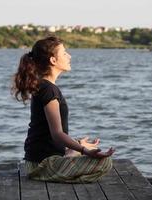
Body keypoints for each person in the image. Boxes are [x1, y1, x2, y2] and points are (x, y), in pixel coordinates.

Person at [11, 36, 115, 183]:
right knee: (105, 163)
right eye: (64, 53)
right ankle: (61, 168)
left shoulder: (45, 86)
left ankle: (69, 155)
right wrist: (84, 150)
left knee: (81, 153)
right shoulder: (49, 90)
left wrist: (78, 143)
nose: (69, 56)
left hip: (40, 161)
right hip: (41, 165)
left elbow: (49, 133)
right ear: (53, 60)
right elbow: (57, 134)